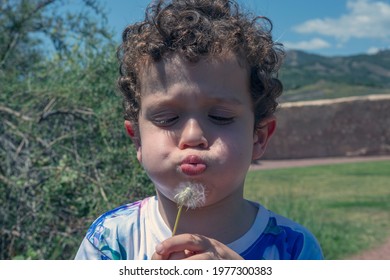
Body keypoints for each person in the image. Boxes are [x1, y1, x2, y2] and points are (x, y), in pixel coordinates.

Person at [75, 0, 323, 260]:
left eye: (220, 116)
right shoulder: (110, 239)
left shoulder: (295, 249)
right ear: (137, 139)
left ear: (258, 137)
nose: (193, 136)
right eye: (167, 117)